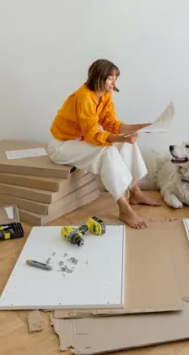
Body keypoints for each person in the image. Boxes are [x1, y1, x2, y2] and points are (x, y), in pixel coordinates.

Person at [46, 59, 159, 229]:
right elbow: (93, 134)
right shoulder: (84, 97)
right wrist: (122, 138)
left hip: (80, 142)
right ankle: (124, 208)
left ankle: (136, 193)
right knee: (107, 151)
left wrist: (141, 127)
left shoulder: (105, 95)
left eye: (115, 77)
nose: (114, 82)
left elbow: (112, 124)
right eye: (110, 78)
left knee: (127, 143)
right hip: (61, 146)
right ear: (98, 77)